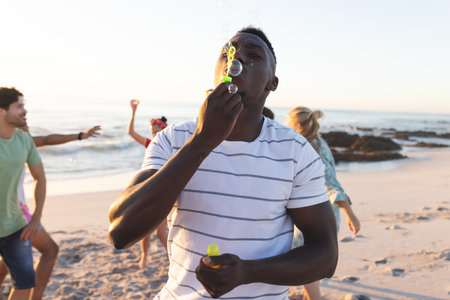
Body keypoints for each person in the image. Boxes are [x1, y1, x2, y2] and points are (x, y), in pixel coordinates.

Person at [108, 27, 338, 299]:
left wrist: (247, 273)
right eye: (227, 52)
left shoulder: (295, 151)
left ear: (271, 82)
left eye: (253, 55)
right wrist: (203, 141)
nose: (237, 56)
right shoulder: (173, 140)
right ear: (217, 72)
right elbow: (121, 232)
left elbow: (326, 256)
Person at [0, 123, 101, 300]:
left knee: (12, 257)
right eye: (20, 112)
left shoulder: (21, 141)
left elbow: (47, 139)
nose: (26, 122)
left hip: (17, 211)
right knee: (49, 250)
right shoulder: (15, 141)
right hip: (17, 213)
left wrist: (80, 135)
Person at [287, 106, 361, 300]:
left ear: (298, 126)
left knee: (306, 262)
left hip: (316, 214)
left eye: (289, 124)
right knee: (305, 260)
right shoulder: (319, 142)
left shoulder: (311, 148)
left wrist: (350, 213)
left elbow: (331, 184)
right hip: (318, 212)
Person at [0, 87, 46, 300]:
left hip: (16, 228)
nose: (24, 111)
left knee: (25, 284)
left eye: (24, 106)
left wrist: (36, 217)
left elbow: (40, 177)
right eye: (19, 106)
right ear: (2, 111)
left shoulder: (24, 140)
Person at [127, 99, 169, 268]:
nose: (153, 128)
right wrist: (134, 111)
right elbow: (131, 132)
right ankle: (144, 257)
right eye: (152, 125)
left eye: (157, 126)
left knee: (160, 232)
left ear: (163, 128)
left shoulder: (169, 145)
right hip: (148, 188)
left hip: (164, 191)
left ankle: (173, 258)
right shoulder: (149, 143)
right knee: (145, 229)